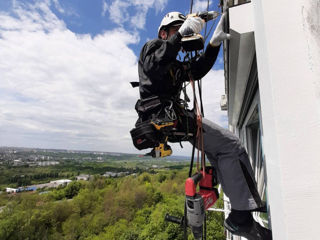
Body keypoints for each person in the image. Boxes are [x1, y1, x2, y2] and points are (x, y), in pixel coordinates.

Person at [134, 11, 272, 240]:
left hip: (174, 119)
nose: (183, 32)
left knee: (221, 149)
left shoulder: (174, 65)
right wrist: (180, 35)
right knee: (231, 144)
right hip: (163, 117)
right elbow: (154, 64)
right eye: (177, 28)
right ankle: (240, 217)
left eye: (184, 27)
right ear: (163, 33)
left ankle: (240, 209)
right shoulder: (153, 48)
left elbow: (196, 70)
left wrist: (214, 45)